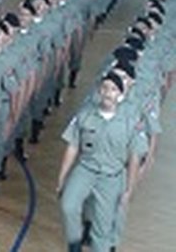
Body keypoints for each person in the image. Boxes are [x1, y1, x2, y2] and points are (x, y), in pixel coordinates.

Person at [57, 73, 140, 252]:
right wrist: (62, 178)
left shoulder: (129, 122)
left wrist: (129, 189)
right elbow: (73, 147)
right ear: (99, 91)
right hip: (86, 169)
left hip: (111, 177)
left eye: (113, 89)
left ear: (120, 94)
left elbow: (134, 157)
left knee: (102, 229)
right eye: (105, 88)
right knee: (68, 205)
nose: (108, 93)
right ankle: (74, 244)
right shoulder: (85, 115)